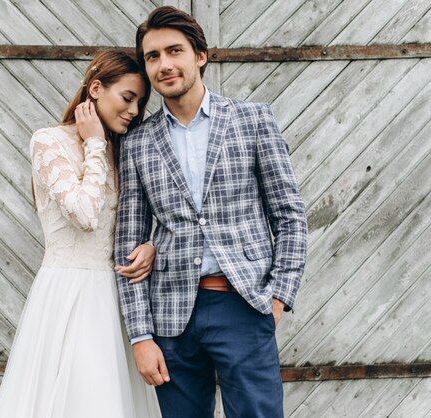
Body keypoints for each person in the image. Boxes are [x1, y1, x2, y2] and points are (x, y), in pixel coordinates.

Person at [114, 6, 308, 418]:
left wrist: (278, 298)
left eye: (174, 51)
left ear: (199, 55)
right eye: (153, 56)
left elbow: (290, 216)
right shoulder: (137, 143)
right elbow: (127, 246)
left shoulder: (253, 120)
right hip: (170, 320)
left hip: (243, 304)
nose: (164, 64)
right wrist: (140, 336)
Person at [0, 50, 161, 418]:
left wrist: (151, 245)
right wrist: (95, 144)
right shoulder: (48, 141)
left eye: (140, 103)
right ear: (96, 88)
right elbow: (85, 214)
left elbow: (143, 218)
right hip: (68, 296)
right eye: (128, 98)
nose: (134, 111)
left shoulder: (125, 150)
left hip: (118, 301)